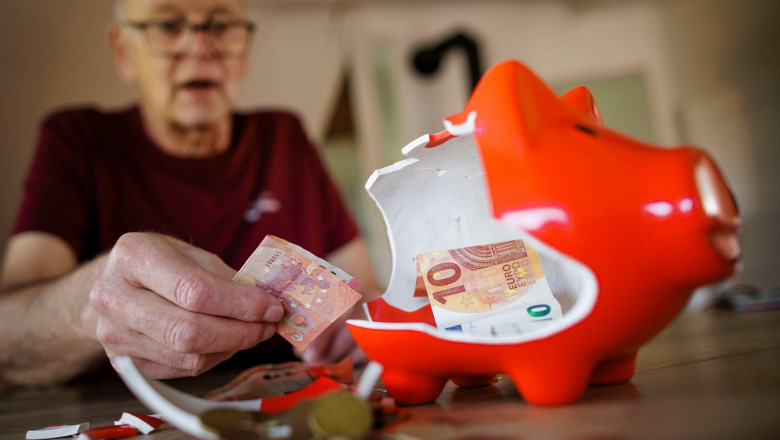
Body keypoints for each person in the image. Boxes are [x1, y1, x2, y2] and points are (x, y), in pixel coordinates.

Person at [0, 0, 380, 387]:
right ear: (123, 51)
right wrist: (93, 300)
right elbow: (6, 335)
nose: (200, 48)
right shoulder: (77, 141)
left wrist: (359, 324)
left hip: (293, 401)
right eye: (167, 25)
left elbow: (364, 288)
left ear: (243, 52)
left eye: (220, 27)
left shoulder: (286, 137)